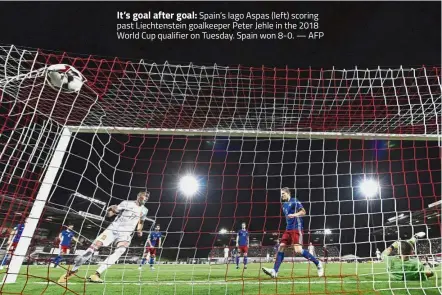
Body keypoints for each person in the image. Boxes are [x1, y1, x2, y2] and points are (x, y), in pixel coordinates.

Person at [58, 191, 149, 283]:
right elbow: (109, 215)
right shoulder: (126, 203)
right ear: (138, 196)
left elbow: (141, 222)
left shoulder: (145, 210)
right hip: (112, 230)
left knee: (121, 250)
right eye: (143, 197)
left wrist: (139, 230)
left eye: (147, 198)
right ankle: (72, 271)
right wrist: (110, 209)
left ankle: (96, 274)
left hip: (125, 234)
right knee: (91, 250)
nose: (145, 199)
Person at [262, 187, 323, 278]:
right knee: (281, 247)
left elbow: (303, 212)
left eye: (283, 193)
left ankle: (318, 263)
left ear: (288, 193)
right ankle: (275, 271)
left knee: (298, 250)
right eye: (281, 194)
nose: (281, 195)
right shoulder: (284, 206)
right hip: (288, 229)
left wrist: (294, 215)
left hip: (296, 228)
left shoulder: (294, 201)